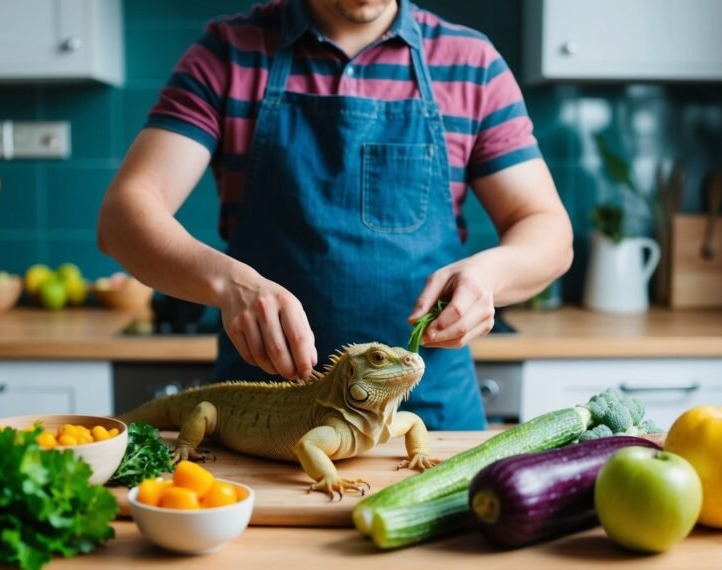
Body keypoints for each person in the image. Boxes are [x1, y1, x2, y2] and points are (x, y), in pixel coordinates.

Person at [98, 0, 573, 430]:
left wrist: (489, 276)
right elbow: (124, 217)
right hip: (263, 417)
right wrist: (228, 283)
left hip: (430, 416)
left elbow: (548, 230)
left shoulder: (472, 64)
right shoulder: (230, 53)